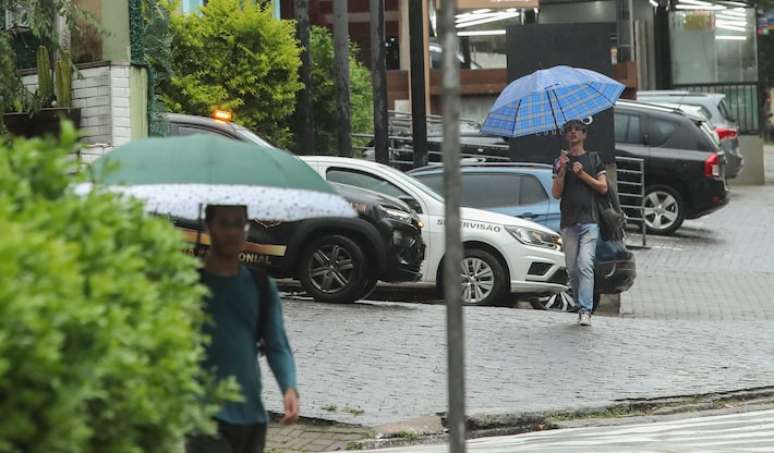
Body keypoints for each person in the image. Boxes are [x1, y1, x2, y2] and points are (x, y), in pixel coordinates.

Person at [187, 205, 299, 453]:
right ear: (208, 227)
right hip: (204, 419)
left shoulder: (261, 286)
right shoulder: (189, 286)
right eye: (225, 223)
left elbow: (276, 344)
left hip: (252, 419)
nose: (233, 232)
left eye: (239, 224)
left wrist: (289, 387)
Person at [551, 120, 608, 327]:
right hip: (568, 222)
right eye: (569, 131)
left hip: (589, 221)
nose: (573, 133)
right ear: (566, 136)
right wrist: (563, 170)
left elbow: (603, 188)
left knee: (585, 265)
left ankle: (586, 310)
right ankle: (579, 303)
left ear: (584, 135)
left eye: (577, 130)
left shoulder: (594, 158)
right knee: (572, 269)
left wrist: (582, 174)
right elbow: (556, 193)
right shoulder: (559, 161)